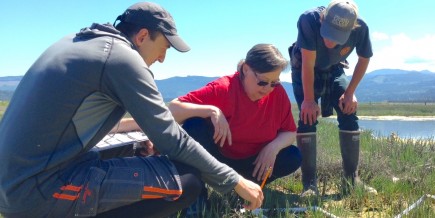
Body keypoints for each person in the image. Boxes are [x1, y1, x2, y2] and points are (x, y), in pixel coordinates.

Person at [0, 2, 263, 217]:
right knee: (187, 181)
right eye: (164, 48)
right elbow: (173, 140)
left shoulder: (79, 42)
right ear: (142, 36)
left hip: (14, 184)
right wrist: (236, 181)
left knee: (135, 150)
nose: (162, 58)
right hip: (37, 192)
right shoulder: (121, 59)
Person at [117, 43, 302, 192]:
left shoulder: (277, 95)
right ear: (246, 69)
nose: (267, 89)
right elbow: (172, 109)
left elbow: (289, 131)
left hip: (253, 162)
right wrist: (211, 110)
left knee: (292, 156)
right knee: (194, 126)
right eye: (262, 81)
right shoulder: (224, 88)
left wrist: (273, 147)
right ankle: (197, 190)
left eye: (274, 83)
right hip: (216, 161)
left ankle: (247, 188)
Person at [288, 0, 377, 196]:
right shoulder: (308, 20)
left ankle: (352, 180)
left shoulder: (361, 28)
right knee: (307, 117)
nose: (330, 42)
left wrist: (350, 92)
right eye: (328, 33)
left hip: (335, 68)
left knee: (349, 111)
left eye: (337, 37)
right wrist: (309, 100)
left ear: (352, 28)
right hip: (304, 67)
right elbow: (308, 64)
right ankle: (309, 185)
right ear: (323, 19)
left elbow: (364, 59)